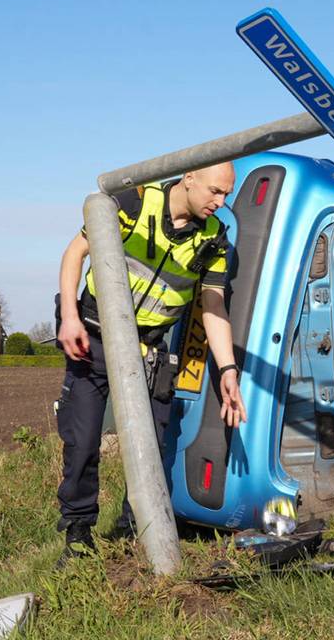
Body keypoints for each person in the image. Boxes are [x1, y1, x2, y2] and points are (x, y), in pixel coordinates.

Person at [54, 162, 246, 561]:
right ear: (188, 178)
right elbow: (75, 253)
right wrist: (69, 316)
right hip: (94, 337)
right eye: (215, 191)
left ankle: (134, 531)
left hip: (151, 349)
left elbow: (212, 306)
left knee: (154, 446)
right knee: (83, 439)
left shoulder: (214, 237)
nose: (221, 202)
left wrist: (228, 370)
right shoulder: (135, 203)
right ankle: (77, 534)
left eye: (227, 194)